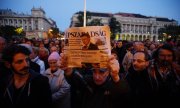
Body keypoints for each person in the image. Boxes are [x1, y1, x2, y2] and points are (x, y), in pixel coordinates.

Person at [59, 53, 130, 108]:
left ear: (108, 71)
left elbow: (124, 96)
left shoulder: (116, 82)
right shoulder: (88, 81)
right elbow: (76, 81)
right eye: (94, 72)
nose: (97, 77)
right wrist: (68, 70)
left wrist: (115, 77)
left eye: (101, 72)